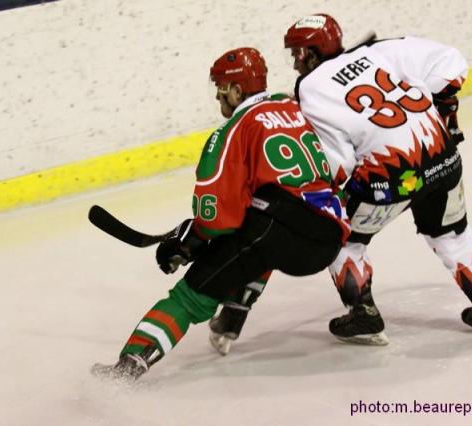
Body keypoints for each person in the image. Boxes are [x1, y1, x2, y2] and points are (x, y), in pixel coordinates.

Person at [209, 13, 472, 350]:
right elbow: (451, 63)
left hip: (393, 177)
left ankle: (363, 313)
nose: (296, 64)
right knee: (451, 233)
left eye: (297, 54)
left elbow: (338, 161)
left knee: (338, 237)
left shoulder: (310, 88)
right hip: (444, 157)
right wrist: (445, 113)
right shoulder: (378, 51)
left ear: (312, 53)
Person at [91, 47, 349, 379]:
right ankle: (233, 318)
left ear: (238, 90)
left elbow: (218, 217)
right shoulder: (295, 106)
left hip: (279, 225)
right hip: (330, 237)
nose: (218, 96)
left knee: (188, 298)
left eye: (222, 88)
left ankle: (125, 370)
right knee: (258, 242)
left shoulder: (231, 132)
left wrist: (189, 243)